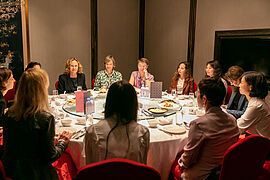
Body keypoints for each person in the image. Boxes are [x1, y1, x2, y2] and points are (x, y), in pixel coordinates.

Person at [1, 69, 73, 179]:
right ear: (41, 91)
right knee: (69, 162)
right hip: (38, 175)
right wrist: (63, 142)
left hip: (13, 172)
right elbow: (50, 156)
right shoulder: (45, 118)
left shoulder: (9, 115)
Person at [177, 78, 239, 180]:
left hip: (203, 175)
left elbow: (187, 160)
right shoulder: (232, 120)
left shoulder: (199, 124)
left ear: (204, 99)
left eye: (198, 93)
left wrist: (179, 163)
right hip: (224, 171)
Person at [85, 80, 150, 164]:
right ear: (133, 104)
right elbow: (143, 166)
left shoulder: (92, 131)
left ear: (108, 102)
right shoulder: (143, 132)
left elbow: (89, 167)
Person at [237, 71, 270, 138]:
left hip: (260, 143)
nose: (239, 85)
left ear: (250, 87)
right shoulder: (255, 102)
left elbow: (238, 128)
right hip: (254, 138)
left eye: (241, 83)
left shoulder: (256, 105)